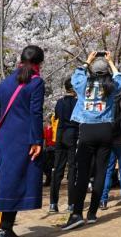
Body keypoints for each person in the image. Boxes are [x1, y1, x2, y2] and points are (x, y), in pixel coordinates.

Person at [0, 45, 45, 237]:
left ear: (20, 59)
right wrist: (37, 140)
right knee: (14, 182)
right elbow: (35, 113)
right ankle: (5, 230)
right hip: (23, 141)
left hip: (1, 140)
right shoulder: (37, 83)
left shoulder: (5, 83)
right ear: (40, 63)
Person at [61, 51, 121, 231]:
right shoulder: (112, 86)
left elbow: (76, 76)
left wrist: (87, 61)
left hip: (87, 129)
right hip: (105, 130)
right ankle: (93, 212)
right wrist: (111, 62)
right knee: (101, 172)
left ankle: (77, 213)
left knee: (82, 173)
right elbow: (120, 77)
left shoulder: (82, 85)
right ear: (107, 72)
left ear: (91, 71)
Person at [49, 78, 79, 213]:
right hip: (72, 134)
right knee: (72, 169)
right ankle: (71, 204)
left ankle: (53, 204)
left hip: (60, 135)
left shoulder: (59, 102)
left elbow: (56, 116)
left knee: (57, 169)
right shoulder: (78, 102)